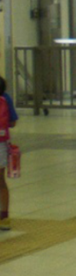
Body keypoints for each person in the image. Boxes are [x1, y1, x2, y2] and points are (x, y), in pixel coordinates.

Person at [0, 76, 18, 231]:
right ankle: (4, 217)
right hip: (1, 143)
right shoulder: (5, 97)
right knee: (1, 181)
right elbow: (12, 122)